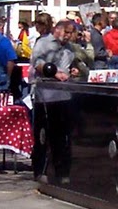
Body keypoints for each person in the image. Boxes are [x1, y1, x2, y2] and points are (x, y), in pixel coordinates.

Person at [32, 19, 81, 183]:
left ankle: (62, 172)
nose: (68, 36)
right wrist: (53, 73)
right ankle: (41, 170)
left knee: (62, 136)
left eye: (71, 33)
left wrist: (73, 70)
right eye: (66, 32)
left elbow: (69, 64)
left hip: (63, 95)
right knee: (43, 135)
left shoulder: (68, 48)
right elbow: (37, 63)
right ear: (57, 30)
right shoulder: (44, 43)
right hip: (45, 96)